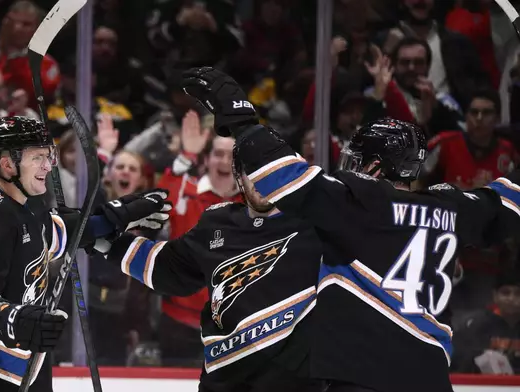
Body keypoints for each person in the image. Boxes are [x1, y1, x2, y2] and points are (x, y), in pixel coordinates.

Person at [181, 67, 520, 392]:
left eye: (356, 161)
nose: (349, 168)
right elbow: (511, 200)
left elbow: (279, 176)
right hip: (431, 380)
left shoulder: (357, 202)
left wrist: (243, 120)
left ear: (373, 166)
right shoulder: (454, 207)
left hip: (362, 377)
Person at [0, 116, 170, 392]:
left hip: (14, 363)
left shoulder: (25, 208)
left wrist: (120, 215)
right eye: (38, 158)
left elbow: (66, 232)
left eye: (49, 156)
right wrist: (16, 320)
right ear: (8, 164)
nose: (48, 166)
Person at [94, 136, 323, 391]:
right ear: (239, 175)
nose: (260, 180)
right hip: (223, 381)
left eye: (269, 170)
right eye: (252, 171)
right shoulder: (219, 222)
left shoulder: (317, 226)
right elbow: (168, 268)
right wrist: (107, 243)